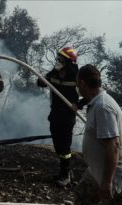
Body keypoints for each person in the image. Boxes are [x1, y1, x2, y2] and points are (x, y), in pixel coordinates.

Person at [72, 64, 122, 205]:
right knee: (82, 196)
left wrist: (107, 182)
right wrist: (79, 104)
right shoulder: (96, 101)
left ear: (82, 84)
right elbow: (87, 99)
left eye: (77, 84)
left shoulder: (103, 107)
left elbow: (113, 147)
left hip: (112, 175)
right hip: (96, 171)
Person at [37, 47, 86, 187]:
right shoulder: (55, 72)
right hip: (55, 114)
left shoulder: (77, 76)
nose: (58, 61)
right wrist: (40, 80)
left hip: (68, 116)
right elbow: (42, 83)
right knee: (58, 145)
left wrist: (78, 104)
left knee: (65, 147)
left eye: (61, 59)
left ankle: (65, 175)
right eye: (58, 58)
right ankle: (65, 172)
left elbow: (88, 95)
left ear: (69, 61)